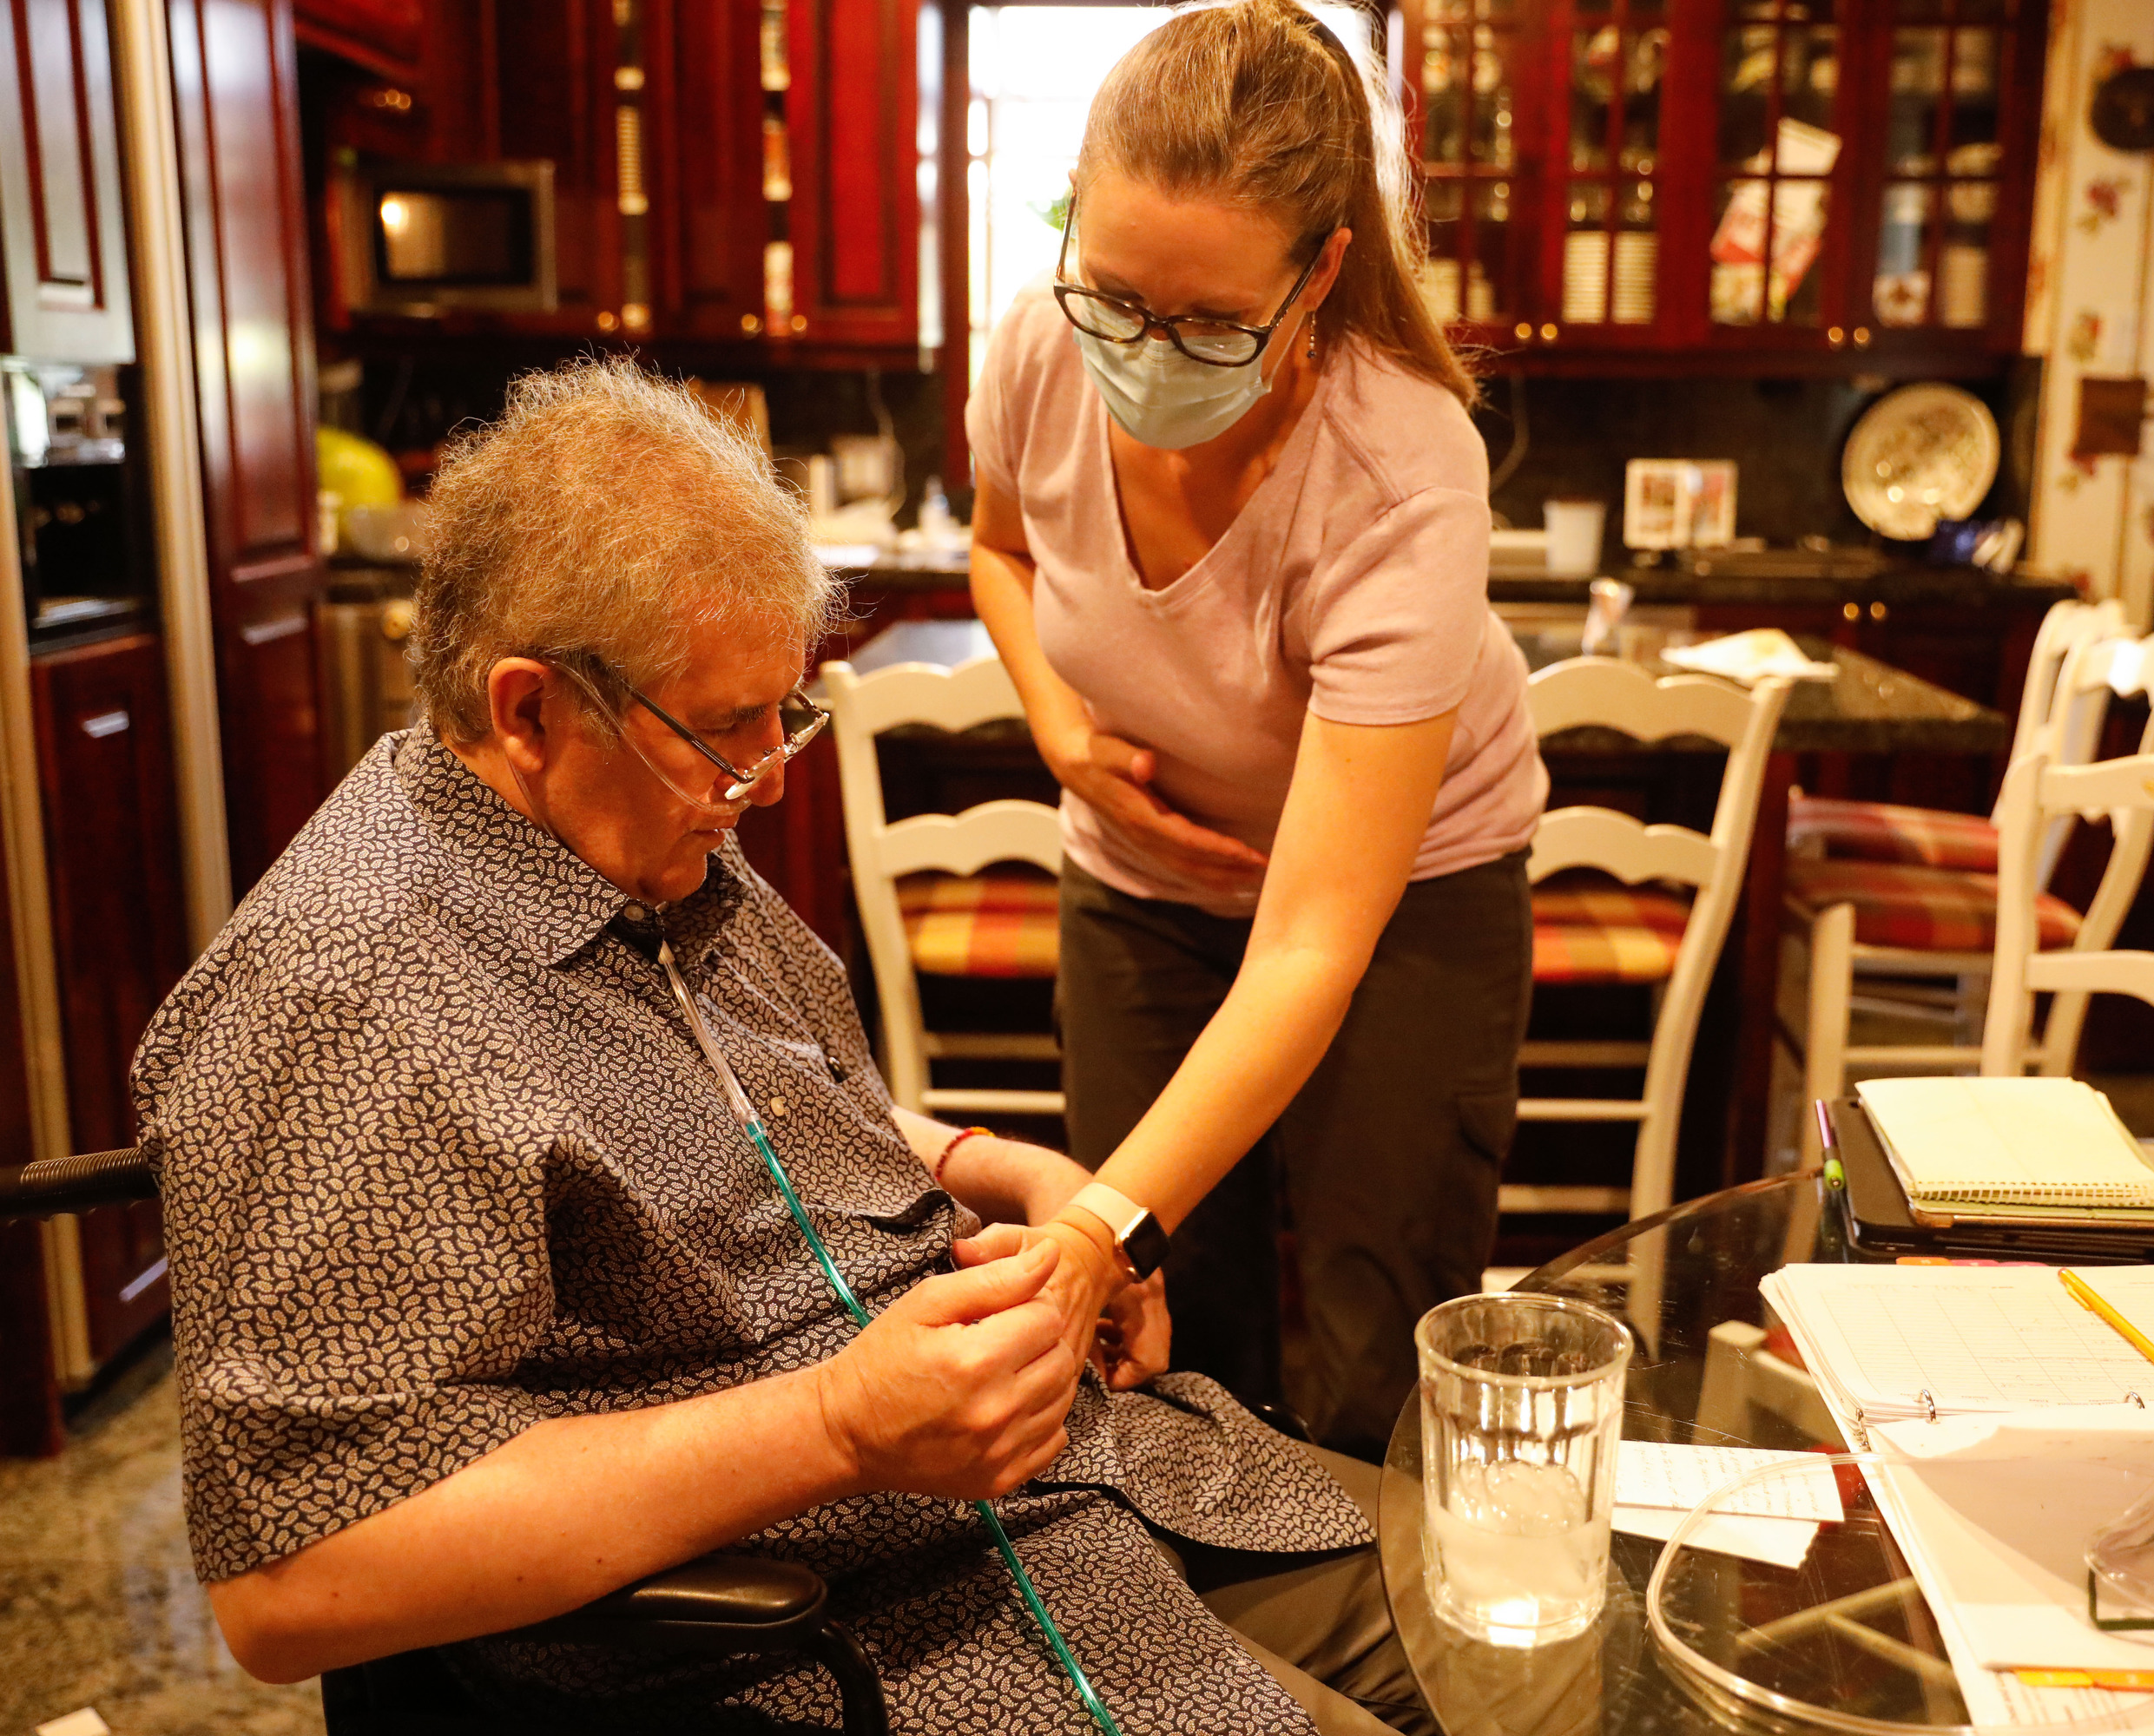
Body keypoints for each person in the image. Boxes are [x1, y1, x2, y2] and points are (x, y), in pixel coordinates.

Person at [135, 358, 1432, 1734]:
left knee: (1517, 1601)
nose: (767, 770)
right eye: (726, 728)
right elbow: (292, 1587)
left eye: (784, 711)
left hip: (1064, 1484)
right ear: (528, 710)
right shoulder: (355, 996)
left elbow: (725, 1111)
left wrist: (992, 1169)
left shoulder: (628, 847)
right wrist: (839, 1428)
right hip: (840, 1627)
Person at [965, 0, 1547, 1455]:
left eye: (1214, 321)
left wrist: (1094, 1224)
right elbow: (1002, 551)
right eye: (1114, 293)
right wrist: (1057, 727)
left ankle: (1373, 1653)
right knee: (1163, 1333)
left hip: (1403, 901)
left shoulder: (1399, 471)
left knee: (1374, 1334)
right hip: (1143, 886)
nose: (1147, 349)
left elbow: (1309, 945)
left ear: (1324, 271)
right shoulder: (1039, 346)